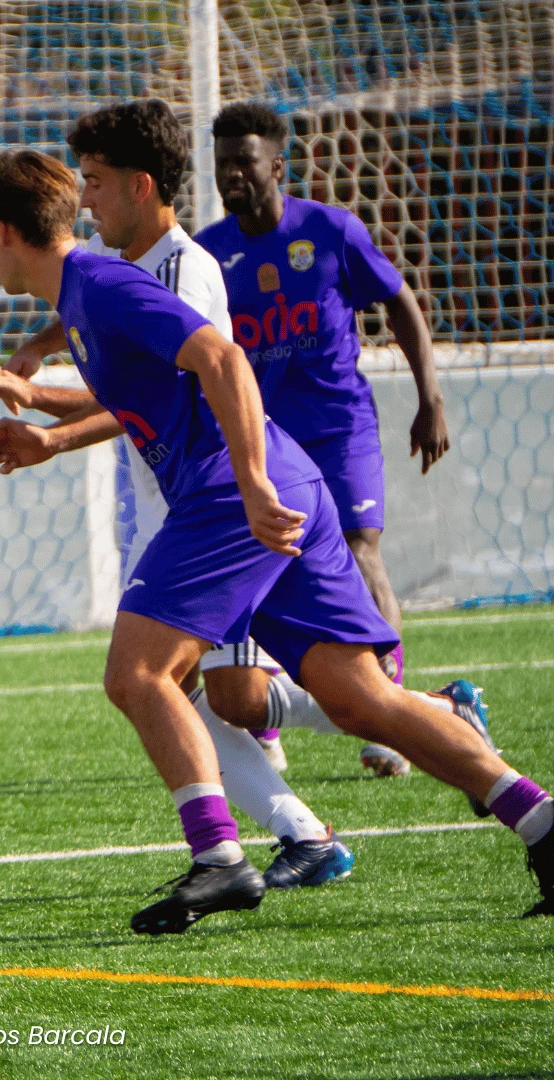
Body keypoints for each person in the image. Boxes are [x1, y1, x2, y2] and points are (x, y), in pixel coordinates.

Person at [0, 150, 554, 931]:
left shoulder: (102, 285)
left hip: (232, 498)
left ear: (3, 231)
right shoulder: (82, 297)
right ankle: (543, 823)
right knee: (359, 698)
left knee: (138, 675)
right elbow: (147, 400)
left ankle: (220, 859)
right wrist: (47, 434)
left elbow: (222, 357)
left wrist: (249, 484)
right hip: (272, 486)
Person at [0, 99, 354, 888]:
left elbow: (208, 375)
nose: (87, 197)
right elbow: (143, 394)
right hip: (180, 504)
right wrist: (43, 417)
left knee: (221, 691)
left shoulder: (181, 269)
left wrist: (244, 486)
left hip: (215, 506)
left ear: (141, 186)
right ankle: (293, 830)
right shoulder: (104, 279)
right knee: (183, 685)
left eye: (98, 181)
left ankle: (289, 825)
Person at [196, 102, 453, 783]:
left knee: (363, 549)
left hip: (340, 427)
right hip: (262, 439)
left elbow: (399, 302)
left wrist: (429, 397)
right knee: (254, 559)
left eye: (243, 161)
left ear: (276, 165)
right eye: (222, 162)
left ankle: (392, 704)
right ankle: (263, 716)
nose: (232, 174)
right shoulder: (209, 253)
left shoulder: (331, 231)